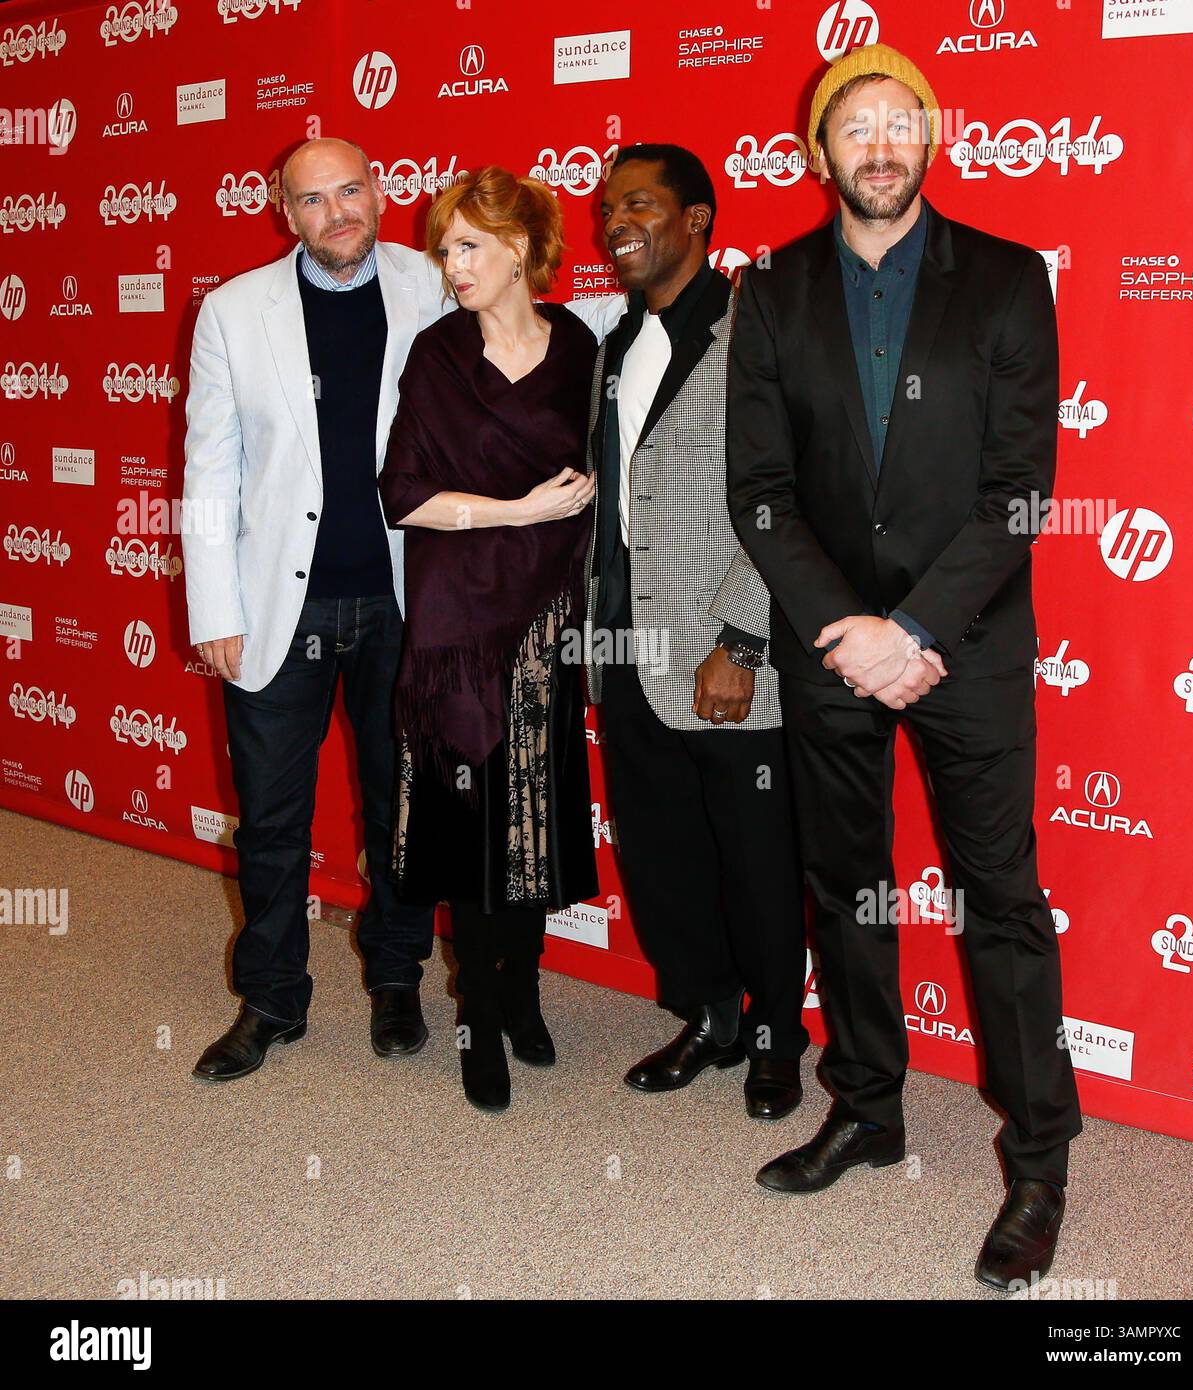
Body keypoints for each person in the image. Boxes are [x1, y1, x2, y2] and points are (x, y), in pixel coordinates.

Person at [725, 45, 1082, 1289]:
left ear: (929, 141)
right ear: (818, 152)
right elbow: (760, 495)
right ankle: (867, 1105)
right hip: (830, 650)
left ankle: (1038, 1157)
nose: (879, 145)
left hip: (967, 647)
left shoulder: (1002, 278)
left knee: (1002, 900)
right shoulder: (769, 290)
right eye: (854, 126)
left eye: (900, 123)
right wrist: (850, 631)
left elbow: (1020, 487)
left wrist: (915, 631)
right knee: (848, 887)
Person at [184, 138, 445, 1080]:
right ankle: (270, 1000)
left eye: (350, 191)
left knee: (401, 810)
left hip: (405, 599)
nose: (337, 212)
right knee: (271, 817)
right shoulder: (231, 312)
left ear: (379, 191)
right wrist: (213, 605)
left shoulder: (436, 284)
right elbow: (209, 470)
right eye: (312, 199)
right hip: (272, 607)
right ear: (281, 210)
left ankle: (396, 978)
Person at [378, 166, 611, 1114]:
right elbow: (404, 495)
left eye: (467, 245)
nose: (450, 263)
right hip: (458, 626)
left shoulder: (580, 347)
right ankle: (477, 1008)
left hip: (546, 621)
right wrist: (516, 510)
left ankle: (522, 987)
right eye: (444, 247)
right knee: (471, 828)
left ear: (519, 249)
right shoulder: (436, 353)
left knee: (534, 818)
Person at [585, 145, 808, 1120]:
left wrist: (745, 641)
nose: (614, 223)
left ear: (697, 218)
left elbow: (792, 498)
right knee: (662, 851)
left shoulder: (758, 327)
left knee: (755, 858)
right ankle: (711, 1011)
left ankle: (773, 1035)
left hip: (727, 643)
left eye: (638, 204)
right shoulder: (611, 344)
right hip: (628, 644)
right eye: (606, 209)